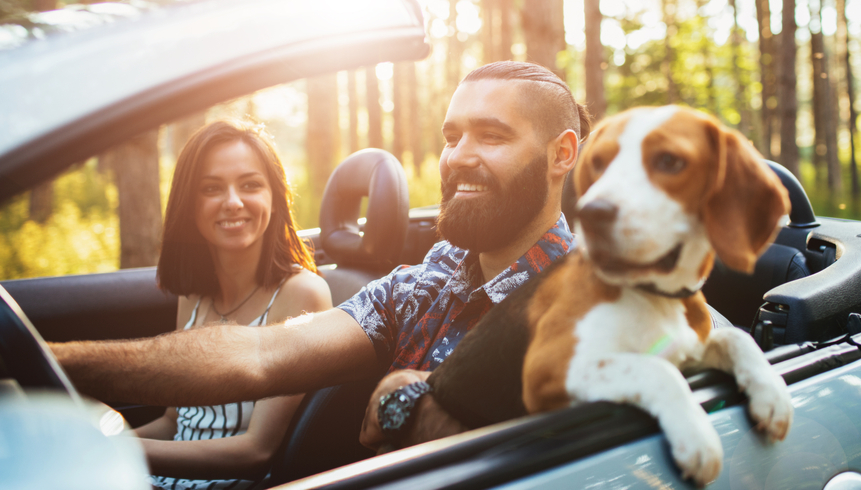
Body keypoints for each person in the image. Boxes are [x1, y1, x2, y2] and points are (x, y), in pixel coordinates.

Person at [51, 61, 590, 458]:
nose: (459, 158)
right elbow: (262, 355)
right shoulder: (429, 279)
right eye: (452, 136)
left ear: (561, 154)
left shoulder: (594, 299)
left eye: (492, 136)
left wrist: (409, 405)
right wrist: (52, 364)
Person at [137, 119, 333, 489]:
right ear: (189, 205)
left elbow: (257, 451)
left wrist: (120, 449)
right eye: (212, 188)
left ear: (274, 198)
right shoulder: (193, 295)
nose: (233, 202)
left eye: (250, 185)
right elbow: (174, 421)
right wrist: (102, 439)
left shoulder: (302, 294)